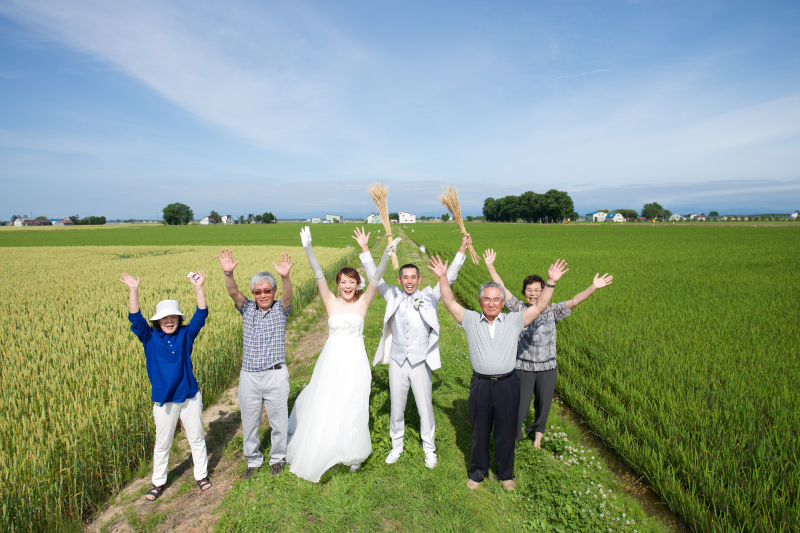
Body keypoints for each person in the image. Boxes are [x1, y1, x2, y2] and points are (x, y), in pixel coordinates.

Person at [430, 255, 568, 491]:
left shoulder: (514, 321)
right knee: (479, 430)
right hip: (481, 385)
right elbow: (449, 302)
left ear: (503, 302)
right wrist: (443, 277)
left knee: (505, 431)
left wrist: (551, 282)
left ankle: (506, 475)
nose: (492, 303)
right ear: (480, 301)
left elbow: (540, 306)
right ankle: (477, 473)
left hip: (508, 384)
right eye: (487, 299)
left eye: (496, 299)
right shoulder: (471, 320)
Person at [286, 226, 398, 482]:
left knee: (355, 402)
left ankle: (353, 452)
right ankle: (325, 446)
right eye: (343, 282)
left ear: (357, 285)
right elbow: (317, 274)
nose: (347, 286)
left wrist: (383, 256)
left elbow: (377, 279)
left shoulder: (363, 302)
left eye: (352, 282)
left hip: (356, 360)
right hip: (332, 360)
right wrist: (308, 248)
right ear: (337, 286)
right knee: (329, 400)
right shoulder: (330, 302)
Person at [353, 227, 470, 468]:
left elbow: (451, 277)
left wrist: (461, 250)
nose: (408, 281)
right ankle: (397, 446)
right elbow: (375, 278)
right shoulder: (391, 295)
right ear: (399, 280)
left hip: (420, 362)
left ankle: (429, 448)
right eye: (404, 277)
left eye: (413, 277)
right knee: (397, 406)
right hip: (396, 361)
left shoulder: (429, 296)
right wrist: (365, 250)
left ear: (419, 279)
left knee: (424, 406)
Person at [483, 249, 613, 447]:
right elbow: (502, 288)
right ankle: (514, 433)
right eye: (529, 290)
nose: (533, 293)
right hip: (523, 367)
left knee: (543, 405)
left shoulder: (553, 311)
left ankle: (538, 436)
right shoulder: (518, 309)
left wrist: (593, 287)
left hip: (547, 367)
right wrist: (490, 266)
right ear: (524, 292)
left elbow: (576, 300)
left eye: (537, 290)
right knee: (519, 405)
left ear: (544, 291)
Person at [119, 270, 211, 501]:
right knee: (163, 443)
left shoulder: (186, 335)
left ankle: (201, 476)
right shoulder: (149, 338)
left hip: (189, 395)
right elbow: (135, 318)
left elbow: (201, 314)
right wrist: (134, 290)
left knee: (197, 438)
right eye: (165, 319)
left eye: (173, 318)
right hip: (163, 399)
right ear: (158, 322)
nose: (169, 322)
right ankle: (158, 482)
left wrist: (198, 287)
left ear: (179, 320)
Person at [217, 248, 295, 478]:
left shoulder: (280, 310)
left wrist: (285, 276)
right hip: (249, 375)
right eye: (258, 291)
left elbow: (288, 294)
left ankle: (278, 458)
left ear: (274, 292)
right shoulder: (247, 309)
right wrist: (228, 274)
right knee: (249, 421)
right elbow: (233, 292)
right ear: (253, 293)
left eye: (267, 291)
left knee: (278, 420)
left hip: (275, 374)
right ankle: (253, 459)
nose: (262, 295)